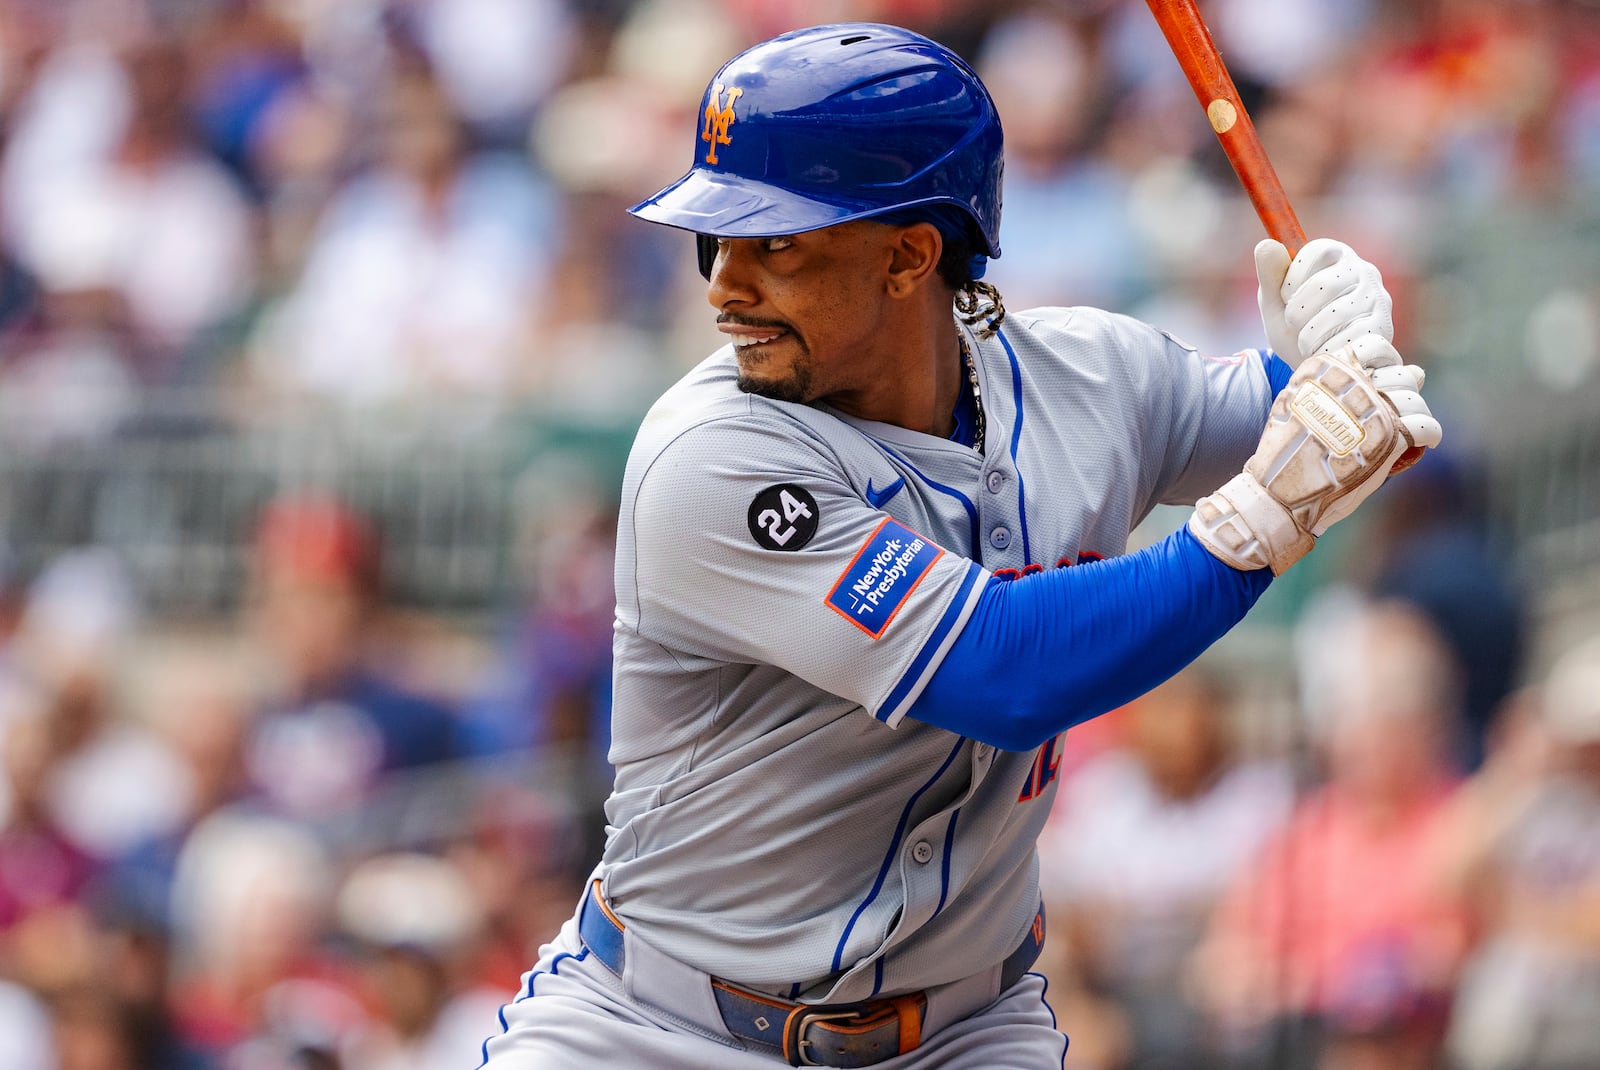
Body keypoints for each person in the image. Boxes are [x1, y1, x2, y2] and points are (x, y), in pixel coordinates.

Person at [478, 23, 1442, 1070]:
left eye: (778, 243)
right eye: (719, 240)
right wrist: (1260, 516)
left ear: (909, 253)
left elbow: (1343, 438)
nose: (724, 287)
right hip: (661, 1029)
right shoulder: (709, 454)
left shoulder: (1092, 378)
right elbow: (1005, 670)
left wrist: (1337, 360)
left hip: (961, 1032)